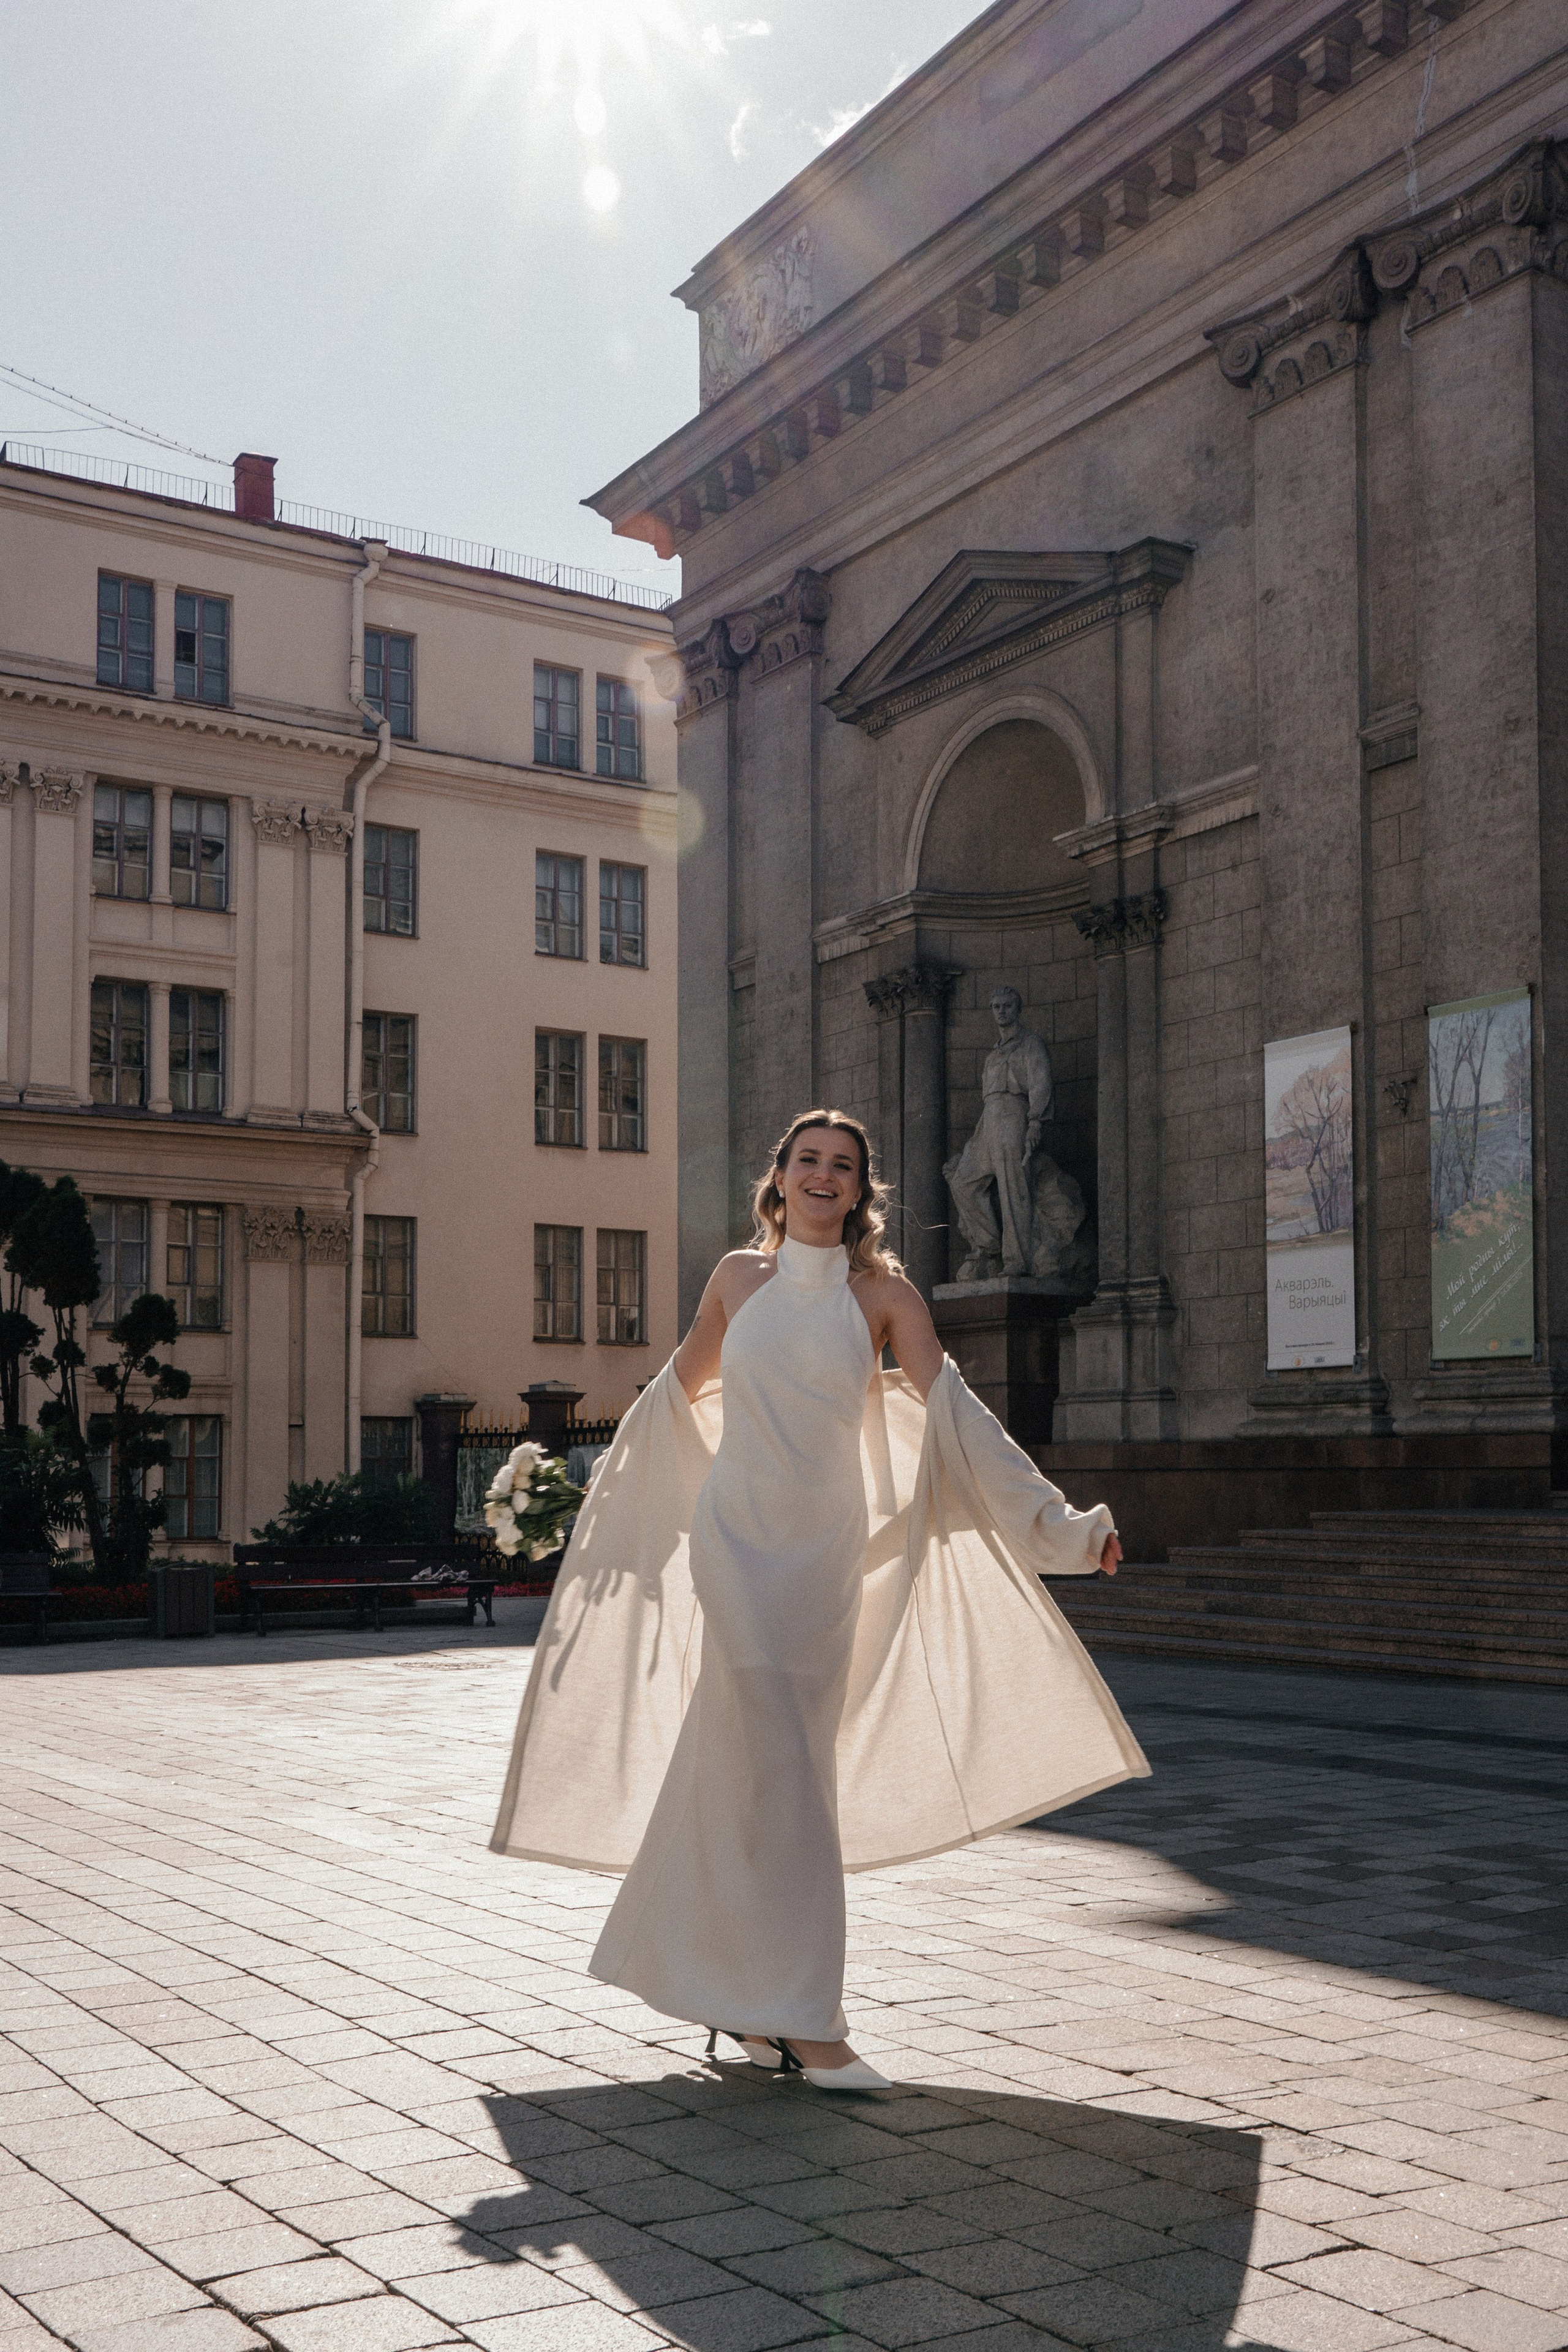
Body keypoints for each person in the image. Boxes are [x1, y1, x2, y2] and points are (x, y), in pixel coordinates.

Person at [492, 1109, 1147, 2092]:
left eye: (843, 1165)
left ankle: (730, 1991)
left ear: (861, 1189)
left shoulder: (884, 1297)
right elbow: (672, 1400)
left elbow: (956, 1415)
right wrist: (601, 1497)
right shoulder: (735, 1280)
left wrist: (1060, 1526)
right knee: (789, 1773)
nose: (823, 1176)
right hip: (736, 1547)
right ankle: (807, 2020)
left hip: (823, 1560)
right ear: (780, 1178)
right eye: (808, 1161)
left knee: (758, 1772)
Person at [947, 986, 1055, 1278]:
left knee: (1013, 1187)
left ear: (1017, 1009)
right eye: (996, 1007)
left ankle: (1017, 1260)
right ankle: (989, 1247)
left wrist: (1035, 1122)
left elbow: (1041, 1082)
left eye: (1007, 1006)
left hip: (1014, 1114)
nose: (1002, 1012)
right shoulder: (992, 1055)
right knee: (963, 1182)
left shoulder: (1031, 1044)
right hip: (989, 1118)